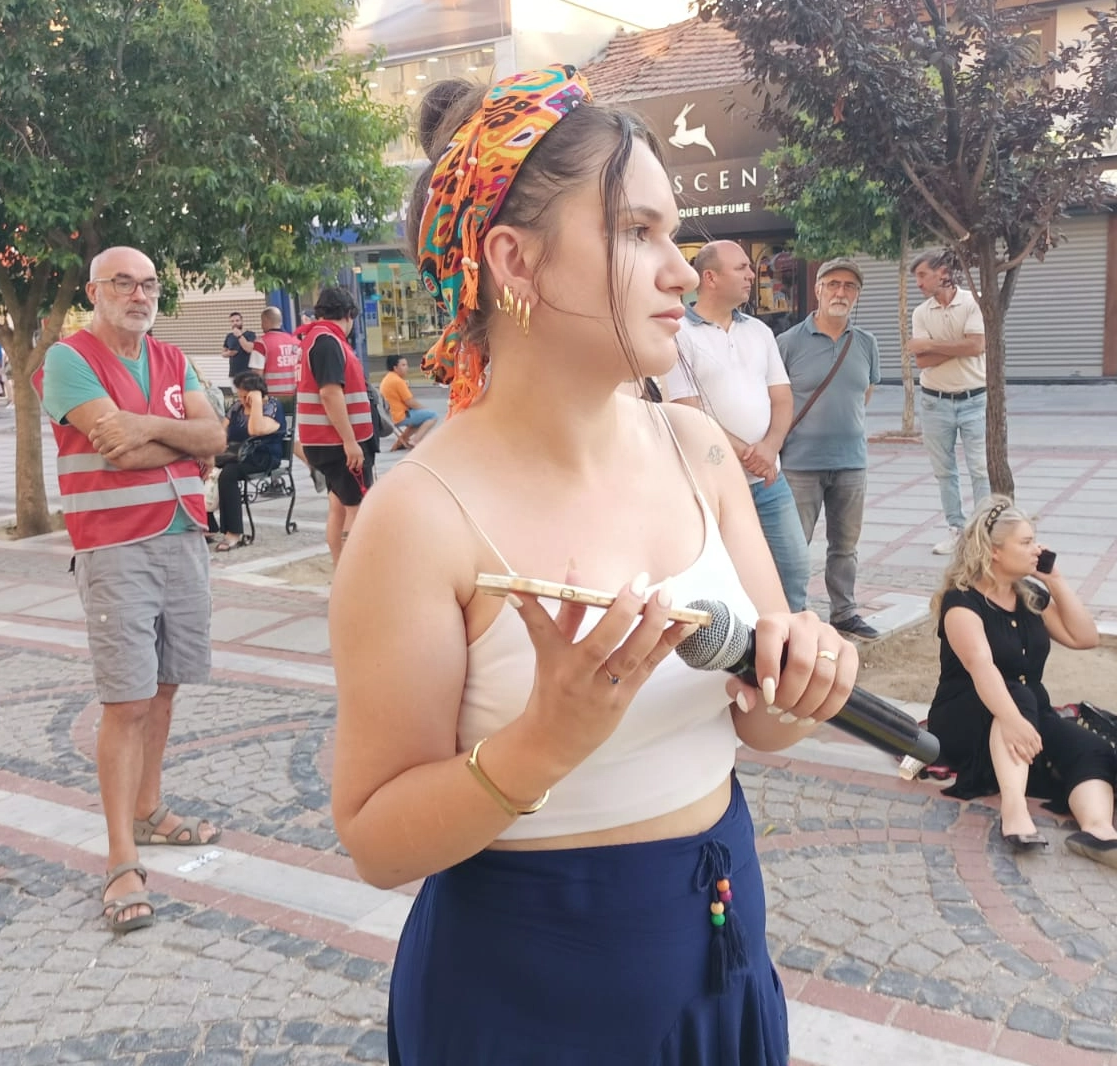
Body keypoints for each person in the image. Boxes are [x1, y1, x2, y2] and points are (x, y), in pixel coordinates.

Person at [330, 66, 859, 1064]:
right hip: (528, 989)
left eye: (674, 234)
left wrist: (805, 679)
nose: (682, 272)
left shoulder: (696, 449)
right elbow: (375, 838)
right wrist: (544, 740)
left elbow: (759, 720)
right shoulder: (418, 516)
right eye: (635, 231)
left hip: (717, 936)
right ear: (515, 261)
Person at [35, 245, 227, 934]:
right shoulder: (69, 359)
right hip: (116, 547)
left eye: (148, 284)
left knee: (166, 687)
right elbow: (114, 451)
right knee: (126, 700)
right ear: (95, 291)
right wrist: (185, 443)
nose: (139, 295)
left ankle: (149, 810)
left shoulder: (173, 358)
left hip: (183, 537)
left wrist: (148, 428)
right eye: (123, 283)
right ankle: (121, 858)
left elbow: (217, 437)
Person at [927, 496, 1117, 872]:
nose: (1038, 549)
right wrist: (1013, 720)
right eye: (1026, 542)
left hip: (1028, 709)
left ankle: (1098, 832)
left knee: (1092, 748)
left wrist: (1056, 581)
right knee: (1017, 695)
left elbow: (1085, 637)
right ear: (994, 551)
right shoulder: (962, 603)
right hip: (965, 714)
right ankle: (1014, 812)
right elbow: (982, 668)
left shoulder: (1029, 595)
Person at [667, 239, 810, 612]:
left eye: (750, 267)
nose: (752, 274)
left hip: (768, 481)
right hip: (714, 484)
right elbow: (688, 410)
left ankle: (792, 639)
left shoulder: (759, 331)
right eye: (741, 268)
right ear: (710, 277)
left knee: (794, 568)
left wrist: (770, 448)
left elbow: (782, 398)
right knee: (731, 579)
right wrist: (750, 454)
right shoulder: (677, 333)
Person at [776, 257, 881, 640]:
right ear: (818, 289)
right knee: (793, 546)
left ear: (857, 295)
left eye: (849, 286)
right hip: (799, 464)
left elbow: (864, 393)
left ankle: (844, 612)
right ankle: (789, 614)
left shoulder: (866, 343)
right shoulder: (788, 343)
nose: (841, 292)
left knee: (845, 546)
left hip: (851, 463)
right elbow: (775, 400)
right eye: (833, 284)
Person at [907, 249, 989, 555]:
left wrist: (930, 344)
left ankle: (982, 533)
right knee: (944, 470)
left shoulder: (974, 302)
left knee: (980, 469)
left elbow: (977, 345)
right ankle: (956, 528)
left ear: (942, 272)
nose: (918, 283)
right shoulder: (921, 313)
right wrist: (959, 346)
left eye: (922, 275)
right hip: (934, 402)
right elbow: (922, 361)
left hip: (974, 399)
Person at [296, 286, 375, 566]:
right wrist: (350, 441)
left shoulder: (314, 339)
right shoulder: (328, 342)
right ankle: (355, 575)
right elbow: (330, 393)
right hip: (337, 442)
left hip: (323, 441)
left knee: (338, 506)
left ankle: (341, 569)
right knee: (356, 509)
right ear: (349, 314)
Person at [209, 371, 285, 553]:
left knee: (228, 474)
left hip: (262, 456)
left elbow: (255, 429)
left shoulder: (272, 407)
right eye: (239, 395)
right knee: (200, 467)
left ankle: (233, 533)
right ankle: (208, 525)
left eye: (245, 396)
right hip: (234, 456)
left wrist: (256, 403)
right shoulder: (236, 408)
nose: (241, 400)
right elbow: (221, 432)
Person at [380, 356, 438, 450]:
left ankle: (400, 442)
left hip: (390, 416)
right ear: (395, 368)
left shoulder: (388, 378)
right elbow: (410, 402)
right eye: (403, 365)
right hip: (399, 416)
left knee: (420, 418)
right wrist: (424, 409)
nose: (407, 367)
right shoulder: (397, 381)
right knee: (432, 415)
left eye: (406, 365)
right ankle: (415, 441)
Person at [256, 306, 302, 417]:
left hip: (272, 401)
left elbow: (256, 376)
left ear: (266, 321)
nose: (261, 325)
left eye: (262, 322)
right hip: (296, 398)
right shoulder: (296, 342)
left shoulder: (261, 343)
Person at [223, 311, 258, 383]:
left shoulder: (250, 334)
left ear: (242, 321)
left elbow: (249, 349)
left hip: (247, 372)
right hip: (234, 373)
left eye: (237, 320)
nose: (235, 323)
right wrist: (229, 353)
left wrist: (239, 335)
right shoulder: (229, 336)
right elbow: (223, 353)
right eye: (232, 321)